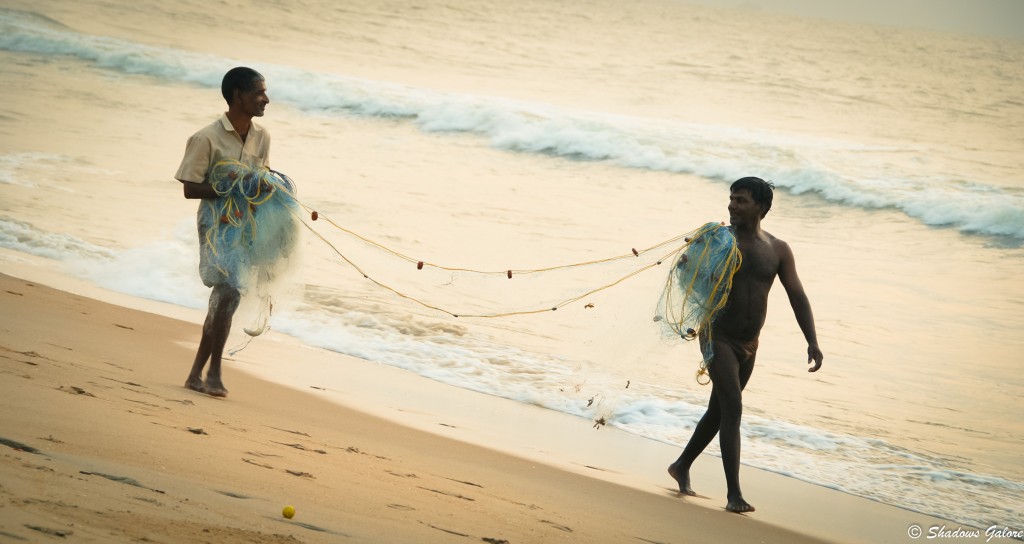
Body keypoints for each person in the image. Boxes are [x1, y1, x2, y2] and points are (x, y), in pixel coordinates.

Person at [667, 177, 824, 513]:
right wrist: (689, 265)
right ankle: (734, 494)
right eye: (731, 198)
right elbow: (688, 273)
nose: (732, 205)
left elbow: (797, 295)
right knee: (733, 408)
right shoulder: (718, 241)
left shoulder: (778, 250)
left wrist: (812, 340)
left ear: (761, 207)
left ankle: (681, 465)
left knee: (719, 409)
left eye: (741, 200)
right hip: (718, 334)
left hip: (750, 343)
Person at [174, 67, 271, 398]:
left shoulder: (262, 137)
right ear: (238, 95)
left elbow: (260, 180)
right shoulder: (206, 138)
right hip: (216, 225)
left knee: (226, 298)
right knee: (228, 291)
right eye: (259, 92)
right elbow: (190, 188)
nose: (265, 99)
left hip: (246, 225)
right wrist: (232, 187)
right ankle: (213, 372)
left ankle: (195, 374)